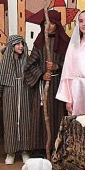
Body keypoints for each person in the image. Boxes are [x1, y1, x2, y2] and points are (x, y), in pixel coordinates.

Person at [24, 10, 69, 155]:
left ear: (57, 25)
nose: (47, 26)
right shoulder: (39, 42)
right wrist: (42, 74)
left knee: (58, 115)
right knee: (41, 117)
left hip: (59, 86)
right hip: (43, 87)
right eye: (45, 23)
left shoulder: (65, 43)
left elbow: (71, 65)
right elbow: (29, 65)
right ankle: (40, 149)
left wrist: (57, 66)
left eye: (50, 23)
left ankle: (57, 148)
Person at [0, 35, 32, 165]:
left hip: (25, 92)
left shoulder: (26, 60)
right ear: (11, 46)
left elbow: (32, 76)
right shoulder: (5, 61)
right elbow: (0, 78)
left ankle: (25, 151)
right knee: (10, 121)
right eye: (17, 44)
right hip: (9, 93)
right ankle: (10, 152)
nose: (21, 46)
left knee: (25, 121)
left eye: (22, 43)